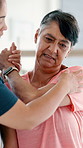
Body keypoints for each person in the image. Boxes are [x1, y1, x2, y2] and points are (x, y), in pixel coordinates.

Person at [0, 1, 83, 147]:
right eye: (48, 39)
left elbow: (32, 96)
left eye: (62, 45)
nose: (53, 49)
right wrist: (10, 74)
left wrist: (9, 70)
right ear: (36, 35)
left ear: (69, 51)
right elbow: (11, 145)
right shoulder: (8, 87)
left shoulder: (76, 78)